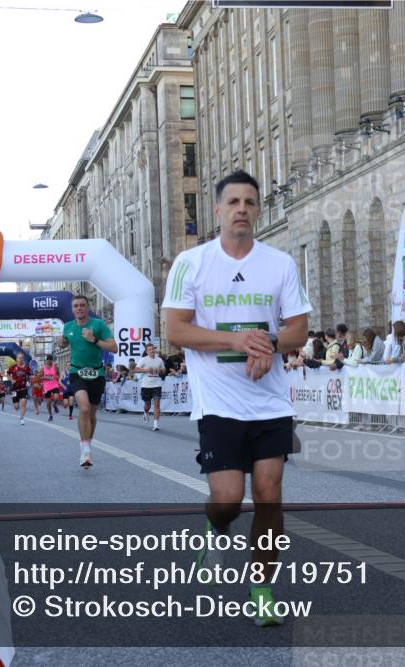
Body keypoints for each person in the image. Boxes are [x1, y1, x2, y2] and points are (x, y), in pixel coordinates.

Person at [163, 170, 310, 627]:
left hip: (270, 404)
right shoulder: (191, 262)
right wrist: (238, 342)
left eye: (250, 201)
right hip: (219, 403)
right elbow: (175, 330)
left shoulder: (280, 263)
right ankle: (216, 526)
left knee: (269, 496)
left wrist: (265, 343)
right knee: (228, 500)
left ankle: (262, 590)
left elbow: (298, 331)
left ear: (259, 209)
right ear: (218, 210)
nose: (242, 209)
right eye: (233, 202)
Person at [58, 294, 118, 468]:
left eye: (82, 305)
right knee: (83, 408)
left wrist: (95, 340)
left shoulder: (98, 325)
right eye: (76, 306)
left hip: (96, 374)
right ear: (72, 309)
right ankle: (84, 449)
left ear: (88, 307)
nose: (79, 308)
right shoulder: (68, 327)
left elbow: (114, 347)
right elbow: (64, 344)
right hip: (77, 371)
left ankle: (87, 443)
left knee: (91, 414)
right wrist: (60, 343)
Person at [135, 343, 165, 430]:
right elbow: (135, 370)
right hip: (146, 386)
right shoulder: (143, 360)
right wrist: (146, 370)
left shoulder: (159, 360)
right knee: (147, 404)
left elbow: (164, 370)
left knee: (157, 405)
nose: (152, 350)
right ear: (147, 351)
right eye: (150, 349)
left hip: (157, 385)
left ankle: (155, 425)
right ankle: (145, 412)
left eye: (153, 349)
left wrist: (160, 370)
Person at [9, 352, 32, 426]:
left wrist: (29, 382)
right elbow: (7, 373)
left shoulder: (26, 367)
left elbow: (30, 376)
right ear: (16, 359)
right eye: (19, 358)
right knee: (16, 407)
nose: (20, 359)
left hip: (23, 388)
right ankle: (17, 407)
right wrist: (11, 380)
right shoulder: (13, 367)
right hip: (15, 389)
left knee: (24, 402)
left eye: (21, 358)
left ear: (23, 359)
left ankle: (22, 418)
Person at [41, 355, 62, 422]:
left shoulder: (55, 367)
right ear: (46, 360)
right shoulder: (43, 368)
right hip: (47, 386)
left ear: (52, 360)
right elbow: (40, 376)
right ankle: (50, 415)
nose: (49, 361)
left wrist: (57, 376)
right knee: (48, 402)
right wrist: (45, 377)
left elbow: (59, 374)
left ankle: (55, 405)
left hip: (54, 385)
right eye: (48, 360)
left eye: (51, 360)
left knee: (56, 397)